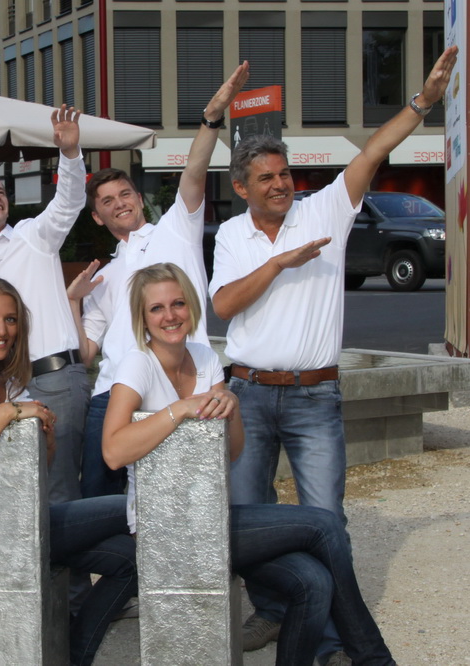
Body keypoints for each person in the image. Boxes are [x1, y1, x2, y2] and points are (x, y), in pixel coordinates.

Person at [209, 46, 457, 663]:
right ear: (241, 188)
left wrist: (423, 102)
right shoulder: (232, 235)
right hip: (247, 394)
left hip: (315, 395)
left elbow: (373, 152)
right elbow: (225, 305)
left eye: (284, 174)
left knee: (325, 520)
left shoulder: (325, 209)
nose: (280, 185)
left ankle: (332, 639)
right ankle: (273, 609)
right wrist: (279, 263)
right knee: (247, 514)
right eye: (265, 179)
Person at [101, 263, 395, 666]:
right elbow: (113, 451)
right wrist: (179, 409)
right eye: (157, 308)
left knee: (313, 582)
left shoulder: (204, 358)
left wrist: (232, 406)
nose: (170, 316)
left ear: (191, 307)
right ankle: (375, 659)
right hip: (164, 527)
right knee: (323, 525)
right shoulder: (137, 365)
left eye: (178, 304)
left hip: (211, 517)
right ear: (142, 318)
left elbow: (231, 452)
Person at [0, 277, 136, 666]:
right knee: (127, 507)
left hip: (21, 523)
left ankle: (74, 655)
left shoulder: (9, 383)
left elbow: (37, 471)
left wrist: (46, 441)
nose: (2, 330)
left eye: (11, 319)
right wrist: (7, 413)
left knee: (129, 556)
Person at [67, 62, 250, 499]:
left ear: (139, 198)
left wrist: (211, 119)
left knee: (187, 498)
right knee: (100, 503)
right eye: (107, 201)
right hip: (112, 394)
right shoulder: (103, 276)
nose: (119, 203)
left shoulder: (175, 230)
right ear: (97, 217)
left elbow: (194, 172)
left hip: (180, 388)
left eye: (125, 194)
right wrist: (73, 301)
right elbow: (87, 352)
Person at [0, 105, 88, 507]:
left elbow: (68, 202)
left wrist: (69, 153)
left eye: (0, 191)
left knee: (59, 492)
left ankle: (71, 554)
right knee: (23, 494)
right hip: (7, 388)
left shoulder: (33, 237)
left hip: (55, 377)